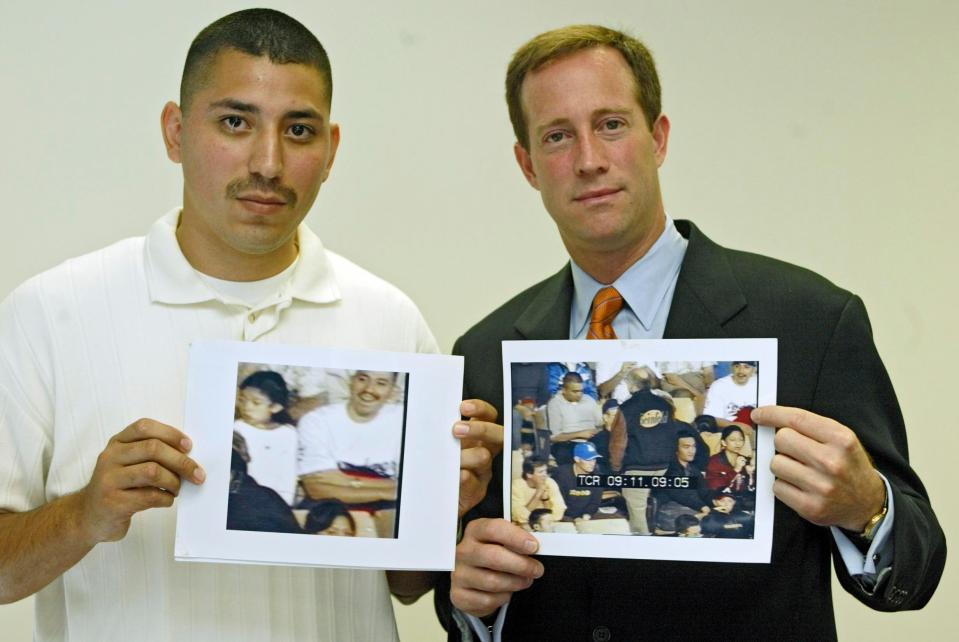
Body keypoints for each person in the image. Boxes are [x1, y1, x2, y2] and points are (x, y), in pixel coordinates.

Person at [441, 24, 945, 641]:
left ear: (658, 138)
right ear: (527, 165)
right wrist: (470, 599)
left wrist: (868, 506)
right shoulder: (488, 351)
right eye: (557, 136)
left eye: (611, 124)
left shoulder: (810, 319)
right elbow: (476, 582)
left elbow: (918, 569)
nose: (589, 159)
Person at [0, 9, 446, 640]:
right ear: (176, 132)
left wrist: (441, 499)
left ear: (331, 149)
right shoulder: (51, 310)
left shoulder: (391, 319)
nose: (268, 162)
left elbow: (407, 587)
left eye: (298, 130)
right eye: (235, 122)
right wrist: (84, 514)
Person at [298, 369, 404, 537]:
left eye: (381, 383)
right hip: (332, 507)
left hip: (387, 510)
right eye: (363, 379)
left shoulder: (403, 418)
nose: (369, 389)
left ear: (393, 390)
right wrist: (388, 490)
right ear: (351, 382)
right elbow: (317, 489)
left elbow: (414, 486)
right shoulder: (317, 420)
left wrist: (345, 480)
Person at [233, 370, 298, 504]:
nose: (246, 407)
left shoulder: (288, 433)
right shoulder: (237, 428)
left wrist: (285, 504)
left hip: (277, 501)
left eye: (256, 402)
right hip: (243, 499)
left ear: (275, 407)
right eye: (242, 400)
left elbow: (288, 475)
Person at [545, 371, 603, 463]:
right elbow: (554, 437)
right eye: (575, 391)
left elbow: (600, 424)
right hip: (568, 444)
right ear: (564, 390)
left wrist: (597, 431)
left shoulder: (589, 400)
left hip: (592, 441)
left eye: (581, 391)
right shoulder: (555, 403)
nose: (579, 394)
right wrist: (579, 434)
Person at [553, 442, 604, 523]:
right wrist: (574, 519)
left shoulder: (597, 476)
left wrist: (586, 516)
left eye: (594, 459)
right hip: (563, 516)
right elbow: (558, 503)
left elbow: (594, 502)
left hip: (585, 517)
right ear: (577, 459)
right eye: (588, 460)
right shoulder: (562, 475)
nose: (592, 463)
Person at [509, 456, 566, 526]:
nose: (545, 475)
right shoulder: (516, 485)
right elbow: (519, 517)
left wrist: (545, 499)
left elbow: (559, 512)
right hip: (524, 526)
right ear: (529, 475)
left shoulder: (550, 482)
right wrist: (538, 494)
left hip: (548, 524)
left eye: (545, 471)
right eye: (540, 472)